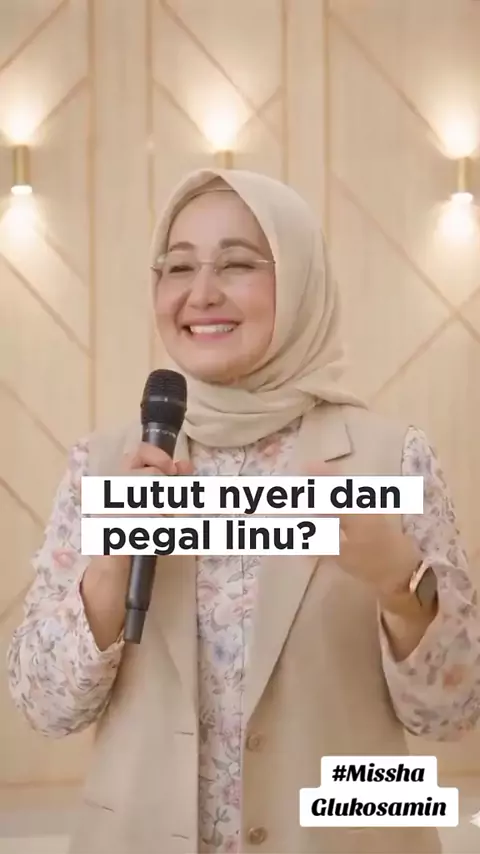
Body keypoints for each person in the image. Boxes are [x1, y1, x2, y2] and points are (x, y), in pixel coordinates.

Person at [6, 167, 480, 854]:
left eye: (236, 263)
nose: (201, 293)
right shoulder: (104, 463)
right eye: (178, 267)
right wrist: (110, 563)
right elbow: (45, 709)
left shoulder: (389, 457)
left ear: (300, 281)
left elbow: (454, 713)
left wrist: (401, 585)